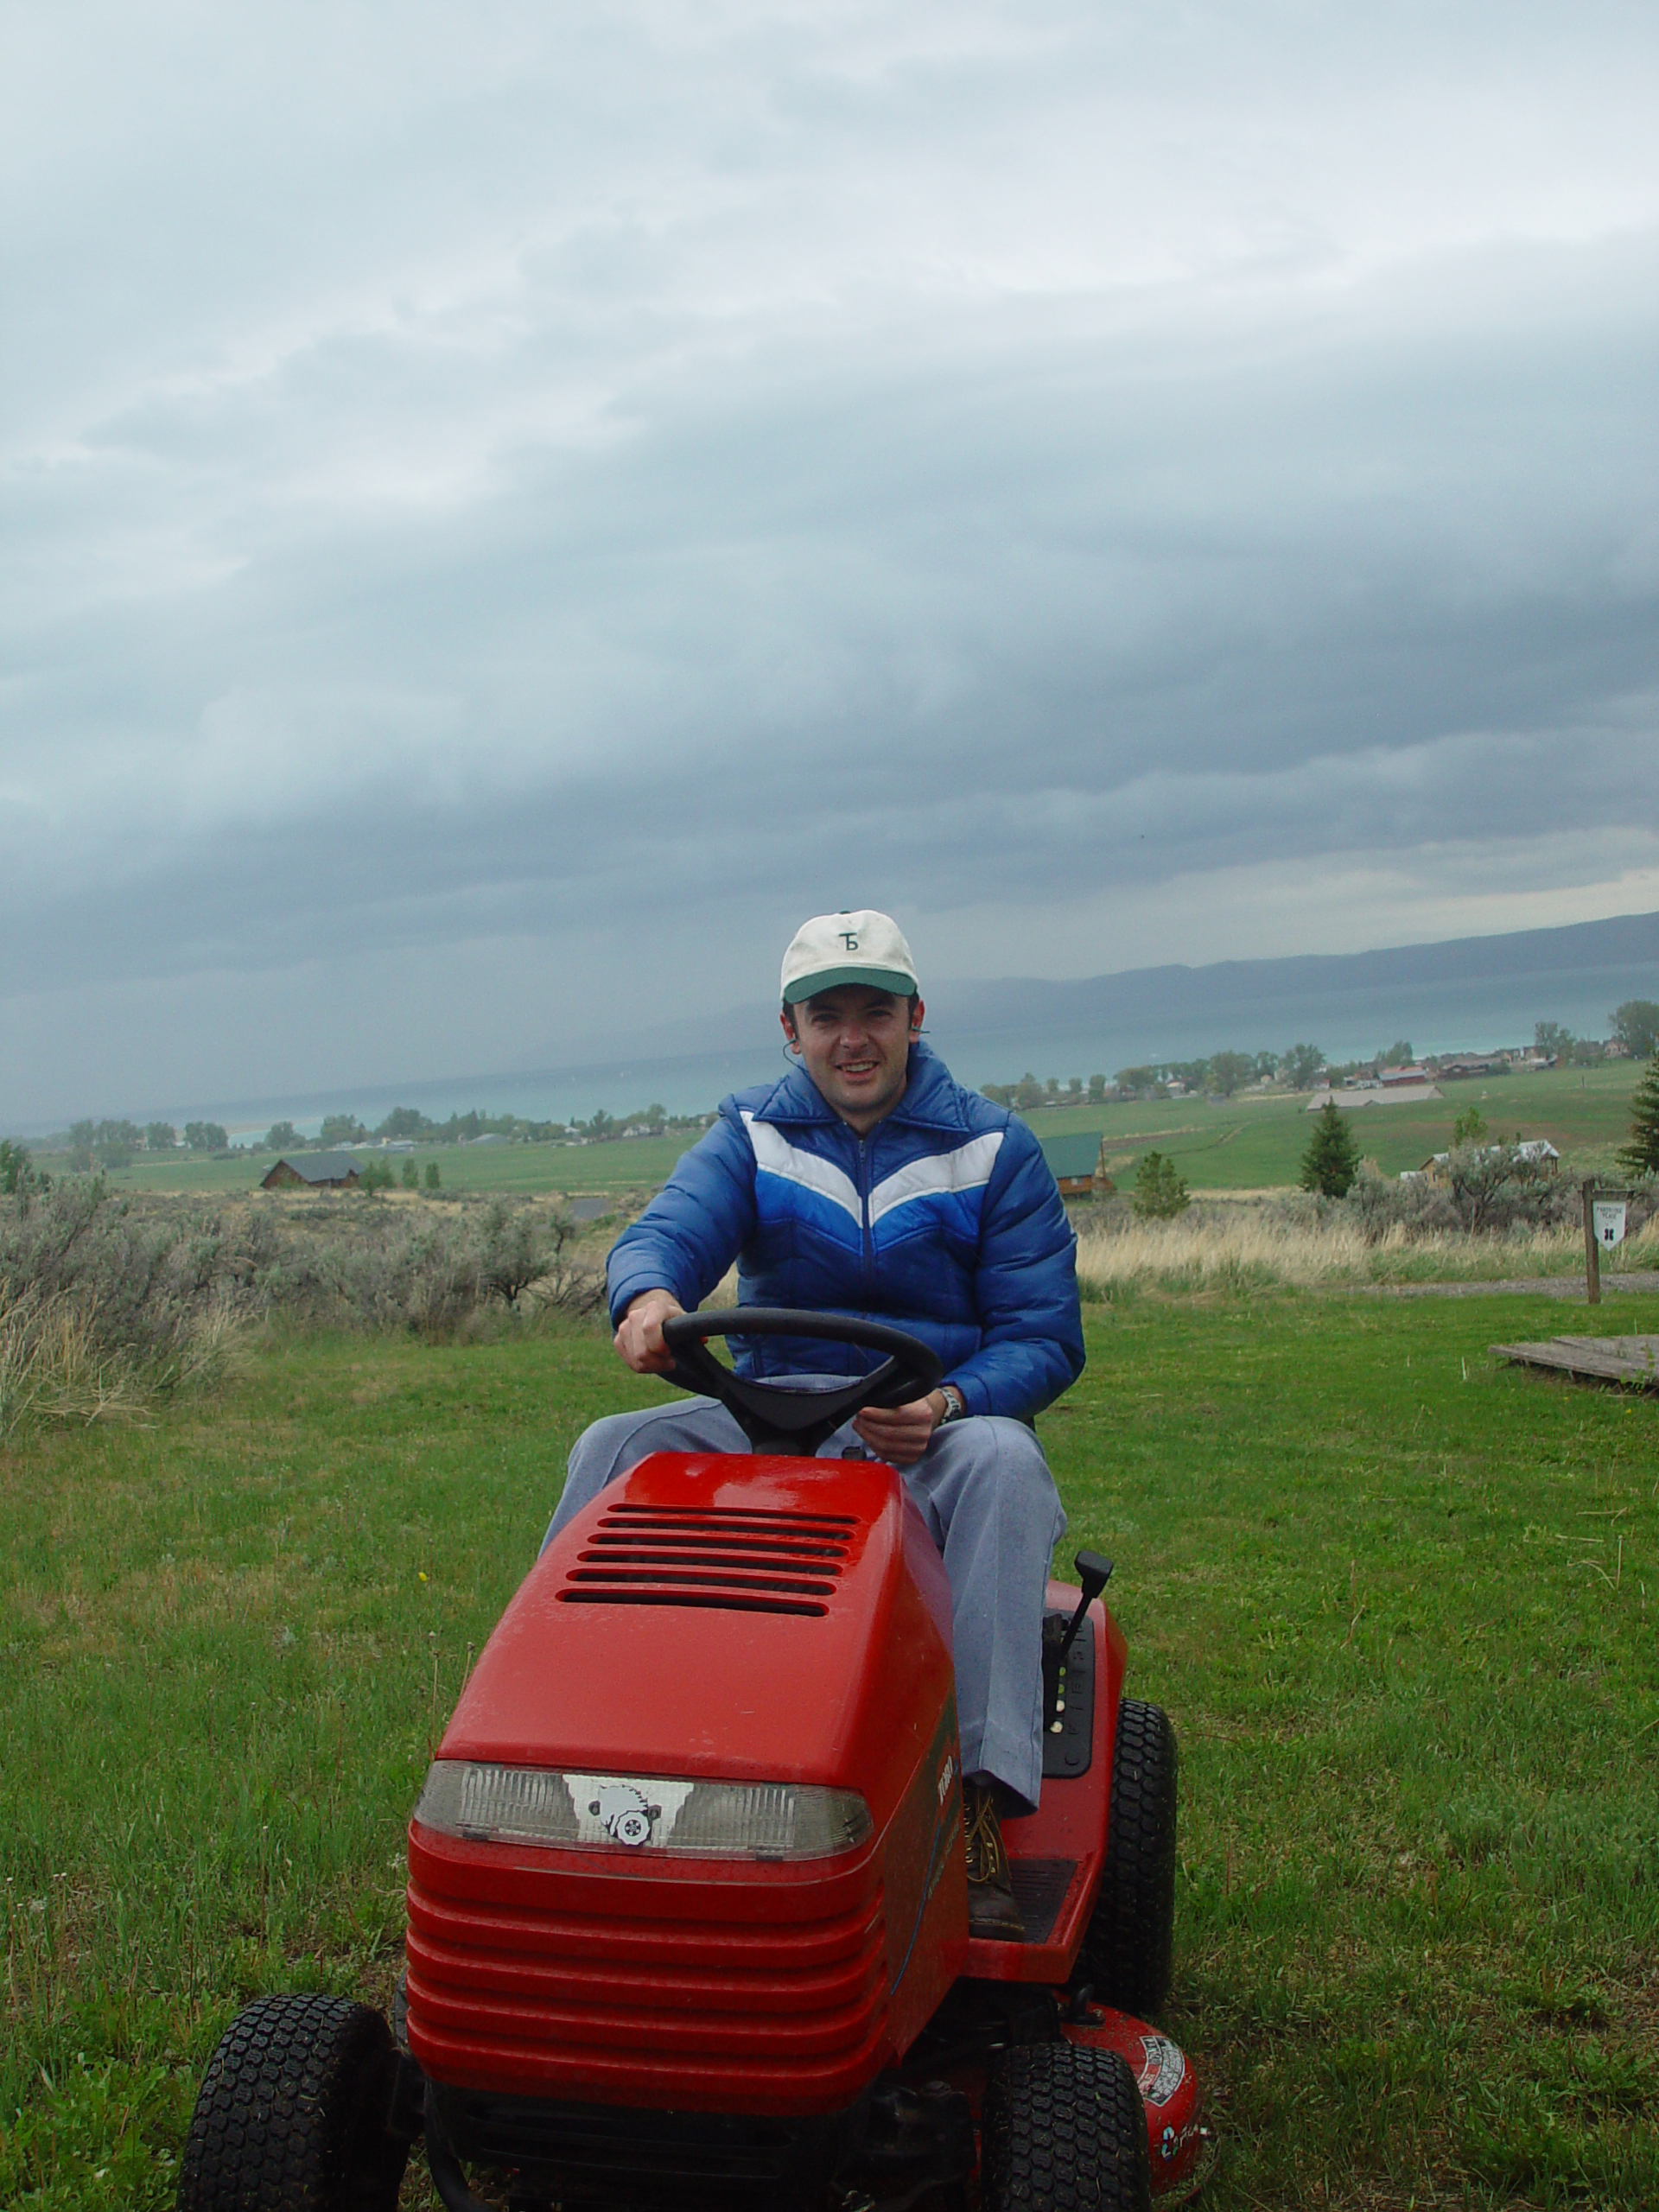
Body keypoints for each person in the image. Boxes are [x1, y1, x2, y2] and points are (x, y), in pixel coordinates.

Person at [545, 909, 1084, 1938]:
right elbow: (668, 1228)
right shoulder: (752, 1133)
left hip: (923, 1435)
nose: (853, 1037)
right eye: (826, 1014)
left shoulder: (993, 1148)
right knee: (613, 1448)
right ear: (789, 1030)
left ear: (914, 1017)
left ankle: (977, 1798)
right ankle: (577, 1760)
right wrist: (648, 1295)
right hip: (767, 1419)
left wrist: (949, 1401)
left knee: (1008, 1464)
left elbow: (1045, 1335)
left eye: (875, 1011)